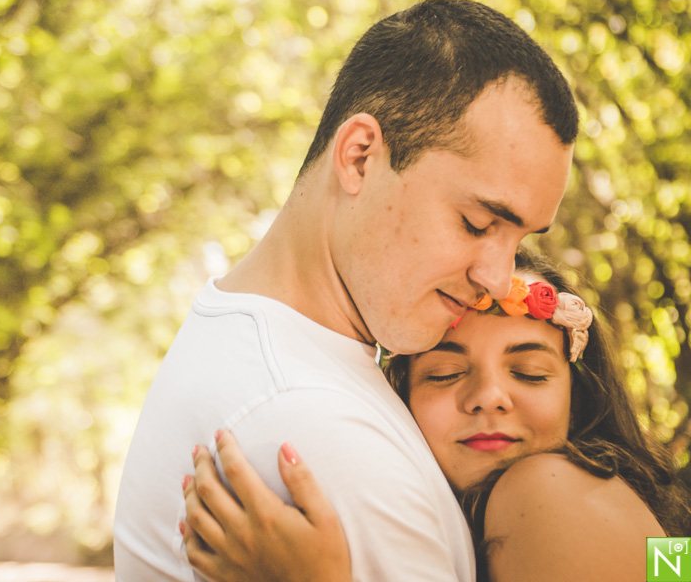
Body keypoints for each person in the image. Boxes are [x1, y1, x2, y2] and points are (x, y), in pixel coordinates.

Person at [113, 0, 580, 581]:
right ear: (360, 157)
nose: (496, 278)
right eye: (478, 224)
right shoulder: (319, 436)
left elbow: (662, 561)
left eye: (517, 240)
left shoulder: (245, 338)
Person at [181, 247, 691, 582]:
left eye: (531, 373)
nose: (489, 397)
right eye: (445, 374)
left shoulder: (547, 486)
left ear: (578, 396)